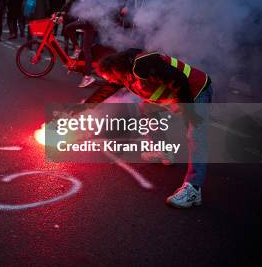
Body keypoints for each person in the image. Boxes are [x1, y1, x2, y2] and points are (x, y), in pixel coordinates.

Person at [86, 48, 213, 208]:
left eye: (109, 77)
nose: (110, 81)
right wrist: (81, 108)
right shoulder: (124, 74)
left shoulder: (142, 64)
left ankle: (193, 189)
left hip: (196, 90)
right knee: (145, 108)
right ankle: (164, 151)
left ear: (115, 69)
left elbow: (179, 80)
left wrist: (188, 111)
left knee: (195, 135)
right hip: (176, 95)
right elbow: (106, 89)